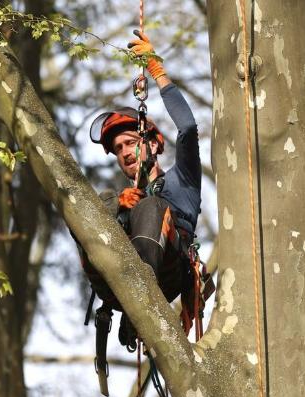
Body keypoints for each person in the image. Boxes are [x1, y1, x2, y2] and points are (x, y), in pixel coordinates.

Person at [79, 30, 208, 370]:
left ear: (153, 143)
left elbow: (188, 129)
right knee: (101, 203)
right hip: (117, 283)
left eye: (130, 142)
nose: (124, 152)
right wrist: (118, 208)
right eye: (118, 149)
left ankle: (141, 293)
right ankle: (131, 298)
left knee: (151, 206)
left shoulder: (182, 180)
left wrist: (155, 69)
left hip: (166, 273)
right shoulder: (122, 197)